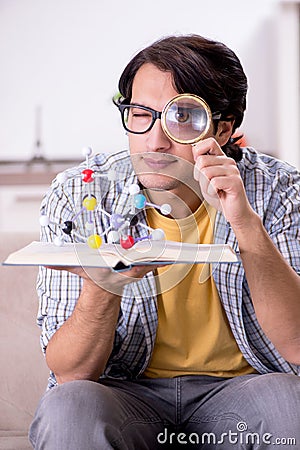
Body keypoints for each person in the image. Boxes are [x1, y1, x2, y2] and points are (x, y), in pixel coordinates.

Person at [29, 34, 300, 449]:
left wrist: (245, 223)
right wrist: (103, 288)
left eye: (183, 118)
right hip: (126, 393)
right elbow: (70, 372)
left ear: (223, 129)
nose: (156, 140)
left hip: (244, 390)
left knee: (291, 407)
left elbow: (297, 347)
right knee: (69, 407)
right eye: (141, 114)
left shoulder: (279, 190)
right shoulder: (80, 195)